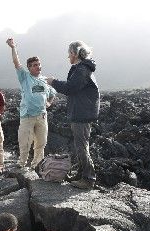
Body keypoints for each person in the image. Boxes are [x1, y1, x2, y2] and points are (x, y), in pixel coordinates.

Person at [46, 41, 100, 190]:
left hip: (82, 113)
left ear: (75, 53)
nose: (68, 56)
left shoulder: (82, 69)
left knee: (82, 146)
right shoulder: (81, 68)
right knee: (80, 145)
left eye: (69, 53)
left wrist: (53, 82)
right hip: (81, 112)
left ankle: (88, 179)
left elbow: (70, 88)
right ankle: (81, 174)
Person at [6, 38, 56, 169]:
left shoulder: (45, 80)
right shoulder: (25, 77)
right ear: (29, 68)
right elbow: (16, 63)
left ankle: (37, 165)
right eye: (34, 65)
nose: (38, 67)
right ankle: (22, 164)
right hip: (27, 116)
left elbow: (53, 93)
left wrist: (49, 103)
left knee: (41, 143)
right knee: (25, 143)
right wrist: (13, 47)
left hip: (42, 116)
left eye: (39, 64)